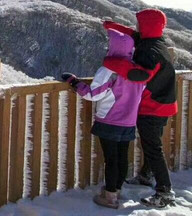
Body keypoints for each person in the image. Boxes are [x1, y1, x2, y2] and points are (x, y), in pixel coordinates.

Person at [62, 28, 149, 209]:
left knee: (111, 159)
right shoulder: (137, 70)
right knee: (122, 157)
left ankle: (109, 197)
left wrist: (74, 82)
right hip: (129, 121)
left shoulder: (109, 70)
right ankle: (116, 189)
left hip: (109, 120)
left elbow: (92, 94)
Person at [102, 8, 177, 208]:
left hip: (152, 106)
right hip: (165, 102)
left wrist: (111, 63)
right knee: (151, 144)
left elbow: (139, 74)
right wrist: (111, 26)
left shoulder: (150, 51)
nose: (136, 27)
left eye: (139, 24)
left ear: (146, 25)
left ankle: (164, 191)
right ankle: (146, 175)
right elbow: (132, 34)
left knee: (153, 148)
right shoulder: (155, 42)